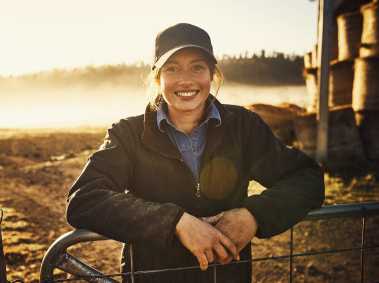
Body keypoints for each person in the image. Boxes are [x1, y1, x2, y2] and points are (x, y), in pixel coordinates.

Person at [66, 23, 325, 282]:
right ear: (158, 77)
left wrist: (253, 214)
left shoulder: (243, 126)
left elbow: (307, 177)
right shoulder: (128, 135)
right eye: (173, 68)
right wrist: (175, 222)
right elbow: (84, 199)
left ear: (212, 74)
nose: (186, 80)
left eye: (197, 67)